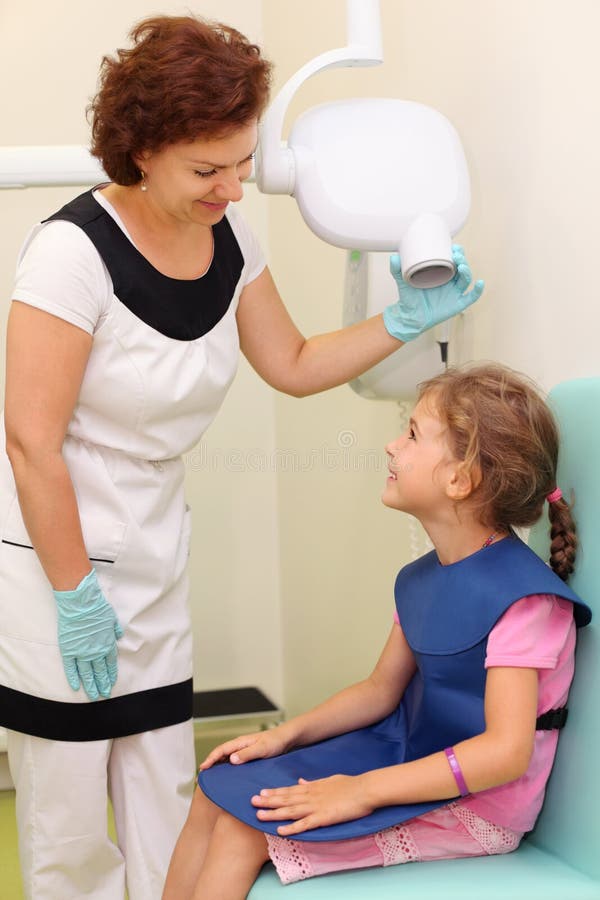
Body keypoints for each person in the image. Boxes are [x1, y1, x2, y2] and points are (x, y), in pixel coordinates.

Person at [0, 13, 484, 900]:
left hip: (151, 539)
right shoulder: (70, 255)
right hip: (54, 548)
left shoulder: (230, 238)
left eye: (243, 162)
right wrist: (72, 596)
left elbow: (292, 366)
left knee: (163, 786)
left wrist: (402, 324)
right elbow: (31, 442)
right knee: (67, 816)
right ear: (140, 149)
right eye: (206, 168)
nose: (232, 187)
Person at [163, 362, 592, 899]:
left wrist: (361, 791)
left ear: (461, 479)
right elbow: (378, 690)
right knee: (215, 791)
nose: (393, 445)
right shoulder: (421, 578)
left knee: (242, 830)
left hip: (477, 806)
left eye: (412, 434)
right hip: (408, 756)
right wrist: (283, 736)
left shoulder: (525, 601)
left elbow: (505, 752)